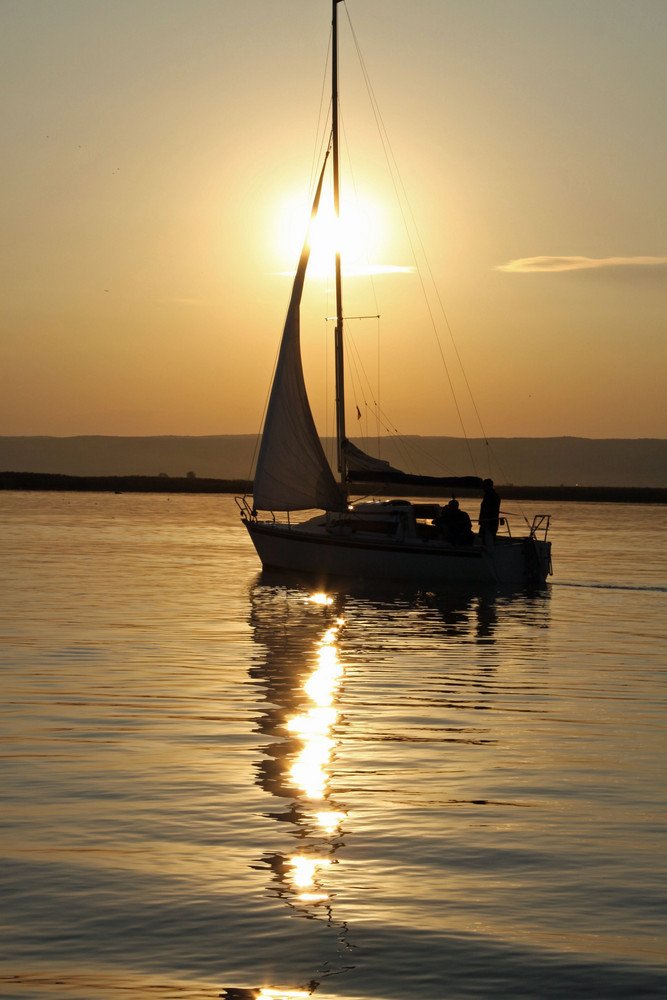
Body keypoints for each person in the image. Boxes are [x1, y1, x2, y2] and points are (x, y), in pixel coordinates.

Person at [478, 478, 501, 544]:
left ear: (487, 486)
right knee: (489, 538)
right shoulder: (493, 495)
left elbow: (487, 509)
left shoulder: (490, 496)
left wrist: (484, 521)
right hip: (491, 521)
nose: (483, 489)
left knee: (487, 539)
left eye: (484, 487)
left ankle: (488, 551)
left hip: (488, 522)